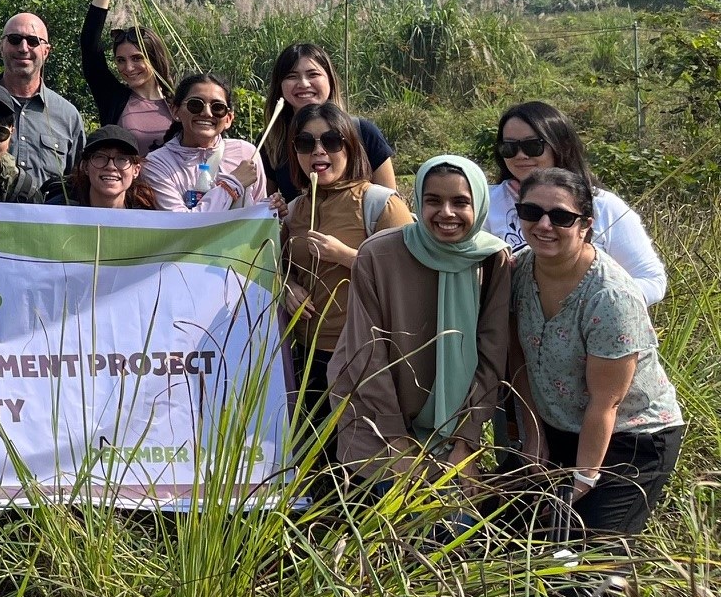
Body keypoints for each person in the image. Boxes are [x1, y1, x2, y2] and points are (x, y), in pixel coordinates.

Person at [510, 168, 682, 539]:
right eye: (530, 212)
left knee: (589, 561)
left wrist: (584, 478)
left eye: (561, 217)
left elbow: (607, 401)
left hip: (629, 436)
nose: (543, 225)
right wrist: (533, 437)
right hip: (558, 427)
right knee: (522, 542)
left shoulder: (610, 296)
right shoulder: (519, 269)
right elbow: (518, 361)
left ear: (586, 224)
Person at [330, 155, 510, 487]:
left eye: (460, 202)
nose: (447, 213)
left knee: (454, 531)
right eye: (433, 201)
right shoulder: (379, 254)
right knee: (387, 533)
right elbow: (367, 354)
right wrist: (398, 443)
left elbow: (493, 352)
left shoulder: (492, 259)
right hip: (377, 426)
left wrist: (466, 442)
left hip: (454, 434)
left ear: (480, 204)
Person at [280, 103, 413, 420]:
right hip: (308, 358)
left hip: (367, 358)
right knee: (317, 461)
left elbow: (411, 279)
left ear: (351, 147)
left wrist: (345, 255)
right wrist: (288, 286)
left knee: (364, 462)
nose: (318, 151)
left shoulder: (381, 203)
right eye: (305, 143)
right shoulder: (295, 209)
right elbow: (281, 267)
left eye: (332, 141)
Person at [485, 101, 666, 305]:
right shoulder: (483, 202)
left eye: (532, 146)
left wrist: (594, 304)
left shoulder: (604, 206)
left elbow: (651, 279)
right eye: (509, 147)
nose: (520, 155)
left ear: (559, 145)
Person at [262, 44, 395, 202]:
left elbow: (390, 204)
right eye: (292, 76)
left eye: (313, 74)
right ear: (280, 85)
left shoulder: (363, 132)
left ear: (330, 80)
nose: (304, 84)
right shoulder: (271, 142)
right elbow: (265, 209)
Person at [82, 0, 175, 151]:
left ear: (154, 57)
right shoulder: (114, 98)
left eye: (137, 58)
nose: (128, 67)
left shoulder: (178, 102)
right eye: (120, 60)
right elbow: (90, 47)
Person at [143, 74, 267, 212]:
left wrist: (272, 207)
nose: (207, 113)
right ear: (175, 110)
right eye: (195, 104)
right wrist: (232, 185)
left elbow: (258, 214)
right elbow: (181, 225)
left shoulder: (247, 153)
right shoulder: (157, 163)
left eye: (217, 107)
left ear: (229, 119)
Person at [0, 12, 86, 190]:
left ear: (46, 51)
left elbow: (79, 184)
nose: (23, 48)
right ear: (1, 46)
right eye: (14, 39)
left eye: (33, 41)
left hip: (47, 216)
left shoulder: (69, 116)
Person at [53, 126, 160, 209]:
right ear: (85, 167)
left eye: (122, 159)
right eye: (100, 157)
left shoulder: (147, 220)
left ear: (136, 170)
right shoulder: (56, 211)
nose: (111, 166)